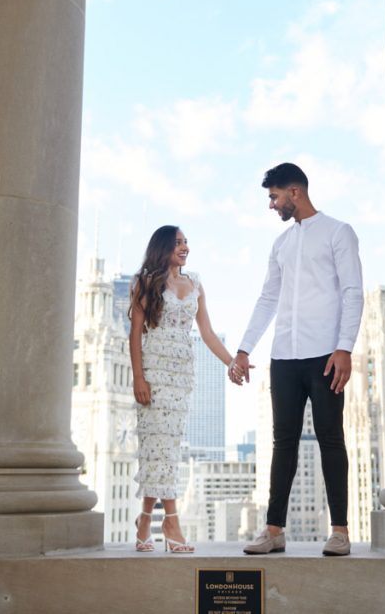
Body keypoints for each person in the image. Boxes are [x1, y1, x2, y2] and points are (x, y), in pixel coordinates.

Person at [232, 163, 364, 557]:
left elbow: (352, 292)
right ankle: (274, 531)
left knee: (330, 438)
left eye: (274, 197)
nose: (272, 205)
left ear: (295, 191)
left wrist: (345, 347)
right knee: (282, 443)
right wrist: (244, 348)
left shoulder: (339, 232)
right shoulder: (281, 245)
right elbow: (268, 298)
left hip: (325, 354)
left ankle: (339, 530)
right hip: (284, 356)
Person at [129, 225, 234, 553]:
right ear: (163, 247)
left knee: (164, 451)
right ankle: (171, 521)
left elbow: (207, 332)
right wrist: (138, 378)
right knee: (158, 448)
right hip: (153, 373)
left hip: (182, 376)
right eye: (178, 243)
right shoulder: (145, 282)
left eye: (186, 242)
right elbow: (134, 334)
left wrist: (232, 362)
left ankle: (145, 518)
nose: (185, 247)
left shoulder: (196, 284)